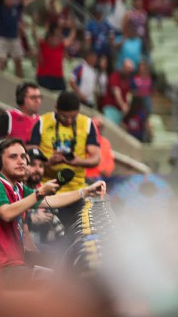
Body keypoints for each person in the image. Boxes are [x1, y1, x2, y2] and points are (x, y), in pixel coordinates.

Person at [0, 138, 105, 281]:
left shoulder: (18, 188)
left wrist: (85, 192)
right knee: (56, 283)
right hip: (4, 268)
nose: (21, 161)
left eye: (24, 157)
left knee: (61, 266)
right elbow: (6, 213)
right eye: (13, 157)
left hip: (16, 263)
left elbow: (51, 200)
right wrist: (40, 192)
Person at [27, 91, 101, 242]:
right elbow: (30, 156)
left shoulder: (86, 124)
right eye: (64, 116)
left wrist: (77, 161)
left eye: (72, 117)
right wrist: (49, 162)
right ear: (56, 109)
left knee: (77, 239)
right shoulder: (42, 123)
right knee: (51, 240)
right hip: (47, 191)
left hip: (77, 191)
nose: (68, 120)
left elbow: (96, 158)